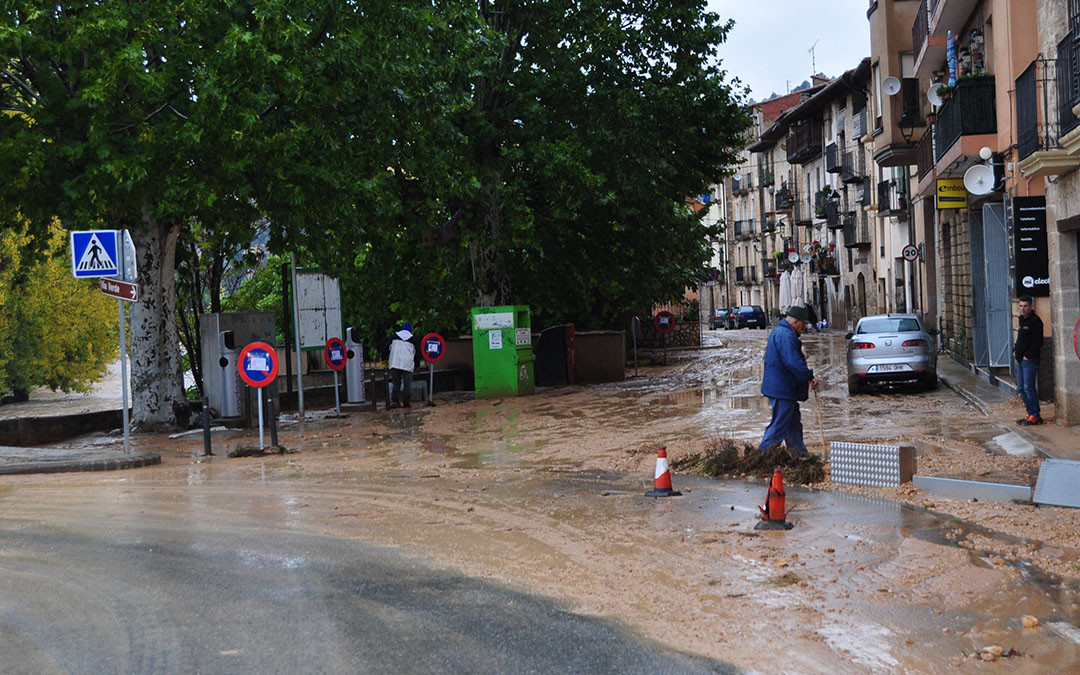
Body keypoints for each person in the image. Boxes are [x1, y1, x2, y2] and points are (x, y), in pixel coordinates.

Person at [759, 305, 819, 456]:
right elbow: (792, 362)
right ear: (796, 322)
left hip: (782, 388)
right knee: (779, 424)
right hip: (782, 389)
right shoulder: (786, 335)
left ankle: (799, 454)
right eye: (803, 324)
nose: (803, 327)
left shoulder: (781, 332)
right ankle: (762, 456)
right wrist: (809, 376)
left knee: (793, 424)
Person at [1014, 296, 1045, 426]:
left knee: (1029, 388)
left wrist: (1028, 355)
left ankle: (1036, 415)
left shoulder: (1035, 321)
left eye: (1025, 306)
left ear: (1031, 306)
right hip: (1021, 359)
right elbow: (1021, 338)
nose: (1023, 309)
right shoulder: (1022, 320)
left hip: (1030, 360)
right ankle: (1030, 413)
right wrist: (1015, 350)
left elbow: (1038, 341)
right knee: (1021, 388)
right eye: (1021, 306)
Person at [387, 322, 418, 408]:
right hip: (407, 364)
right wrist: (417, 365)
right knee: (407, 384)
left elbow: (386, 347)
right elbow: (417, 353)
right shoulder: (413, 339)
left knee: (396, 382)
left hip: (395, 362)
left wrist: (384, 357)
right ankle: (406, 402)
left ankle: (395, 401)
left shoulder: (393, 337)